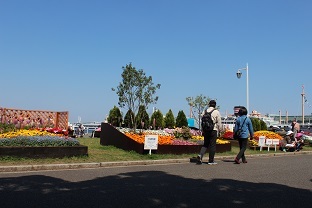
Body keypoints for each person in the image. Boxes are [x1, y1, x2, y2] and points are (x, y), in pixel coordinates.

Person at [196, 100, 222, 165]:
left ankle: (200, 155)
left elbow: (202, 120)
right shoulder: (216, 112)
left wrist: (202, 130)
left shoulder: (204, 111)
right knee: (212, 145)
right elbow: (219, 123)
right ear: (215, 105)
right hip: (213, 130)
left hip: (206, 130)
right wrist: (220, 130)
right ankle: (211, 160)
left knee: (205, 144)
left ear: (209, 104)